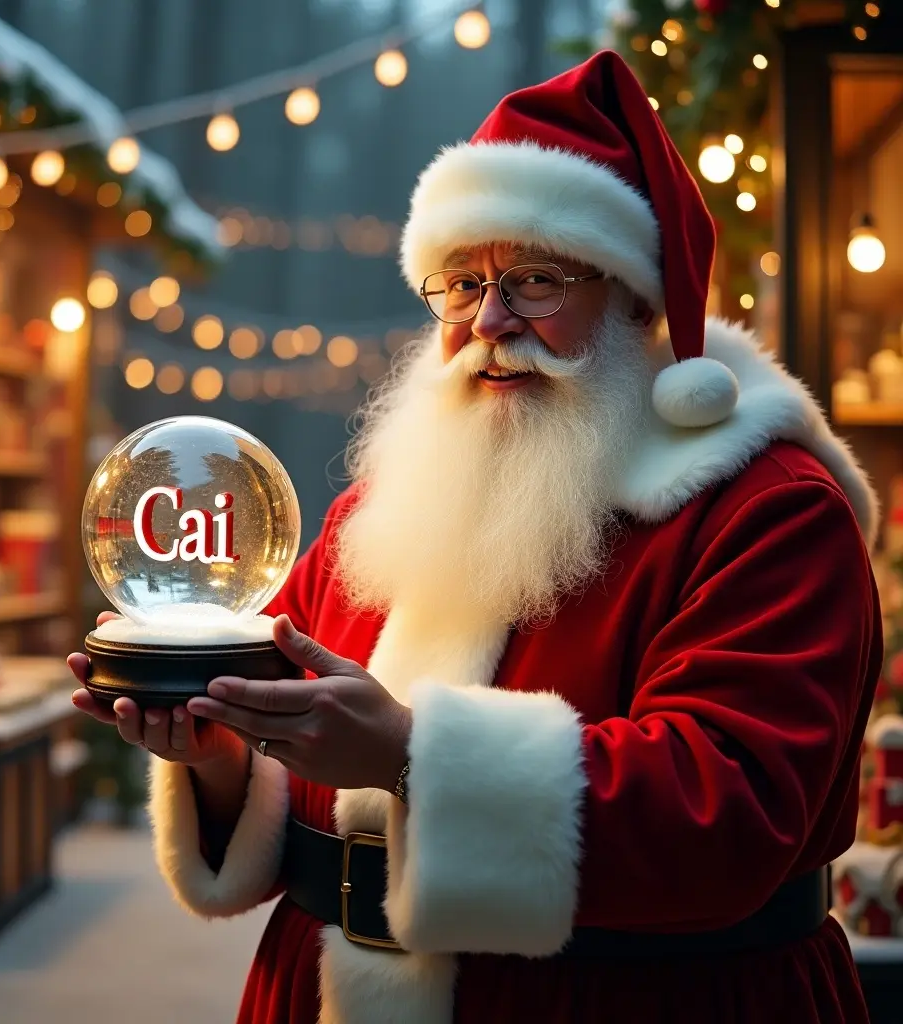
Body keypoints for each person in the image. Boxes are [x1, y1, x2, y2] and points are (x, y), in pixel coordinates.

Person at [68, 50, 881, 1024]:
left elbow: (730, 804)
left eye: (535, 279)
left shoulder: (763, 510)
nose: (489, 319)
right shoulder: (384, 509)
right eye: (458, 284)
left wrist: (415, 757)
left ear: (634, 298)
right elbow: (299, 757)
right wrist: (214, 754)